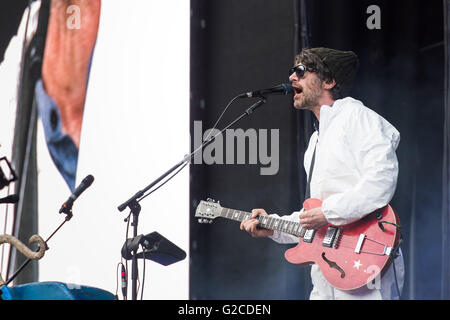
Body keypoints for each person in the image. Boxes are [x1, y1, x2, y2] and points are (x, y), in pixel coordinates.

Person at [240, 47, 405, 300]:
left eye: (301, 71)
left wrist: (328, 213)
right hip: (328, 274)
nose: (292, 78)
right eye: (292, 72)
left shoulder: (356, 117)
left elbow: (381, 181)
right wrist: (272, 227)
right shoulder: (316, 141)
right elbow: (314, 219)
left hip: (365, 262)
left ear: (328, 81)